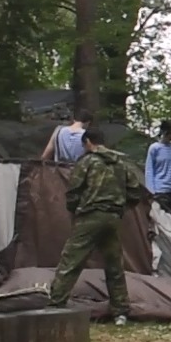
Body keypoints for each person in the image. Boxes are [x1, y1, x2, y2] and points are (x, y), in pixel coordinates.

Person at [49, 125, 142, 325]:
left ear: (88, 142)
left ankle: (55, 305)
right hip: (113, 218)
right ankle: (121, 313)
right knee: (114, 266)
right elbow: (136, 192)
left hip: (90, 216)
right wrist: (120, 207)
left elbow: (74, 190)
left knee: (71, 261)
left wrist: (74, 208)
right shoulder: (120, 162)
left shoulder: (87, 161)